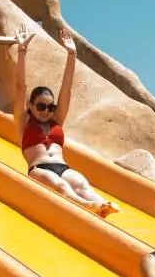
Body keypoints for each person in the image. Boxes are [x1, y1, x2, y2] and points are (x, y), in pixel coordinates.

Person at [13, 26, 119, 218]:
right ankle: (88, 207)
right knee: (61, 186)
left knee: (81, 183)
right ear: (31, 105)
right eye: (41, 107)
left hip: (63, 166)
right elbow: (20, 87)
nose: (47, 111)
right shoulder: (23, 121)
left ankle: (101, 205)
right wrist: (21, 51)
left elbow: (66, 90)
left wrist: (72, 54)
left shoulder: (56, 121)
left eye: (50, 107)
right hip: (39, 169)